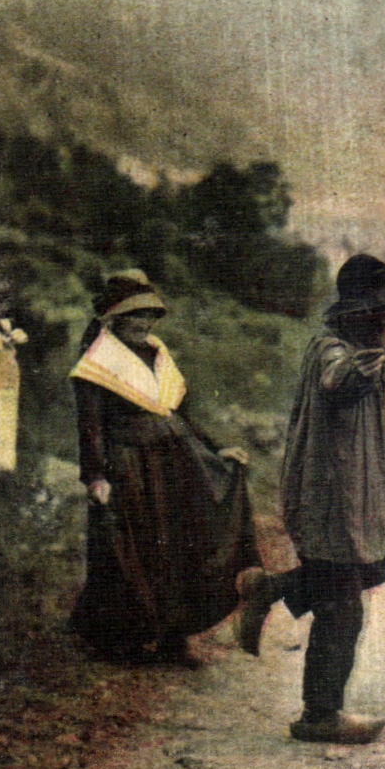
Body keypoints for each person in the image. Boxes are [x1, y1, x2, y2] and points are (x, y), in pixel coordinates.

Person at [233, 254, 385, 744]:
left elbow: (375, 357)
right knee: (344, 605)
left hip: (349, 492)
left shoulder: (353, 346)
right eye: (378, 313)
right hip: (330, 494)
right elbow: (343, 384)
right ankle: (320, 714)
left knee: (374, 568)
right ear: (356, 314)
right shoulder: (333, 352)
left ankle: (270, 589)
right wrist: (377, 344)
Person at [67, 269, 261, 666]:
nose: (145, 323)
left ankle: (176, 635)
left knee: (180, 546)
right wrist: (96, 476)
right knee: (131, 550)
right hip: (129, 465)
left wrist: (218, 447)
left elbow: (182, 413)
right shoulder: (96, 362)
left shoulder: (158, 353)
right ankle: (126, 639)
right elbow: (91, 427)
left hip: (175, 460)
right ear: (115, 318)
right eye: (135, 315)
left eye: (151, 315)